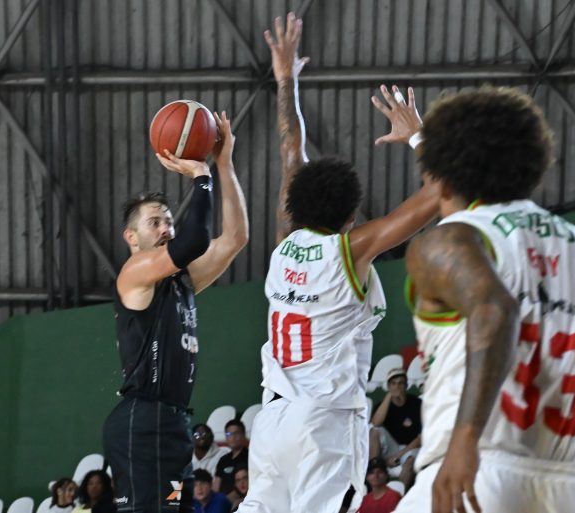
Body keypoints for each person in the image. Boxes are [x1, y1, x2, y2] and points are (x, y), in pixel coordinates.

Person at [391, 86, 575, 513]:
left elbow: (496, 309)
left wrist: (465, 438)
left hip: (479, 474)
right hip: (569, 490)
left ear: (441, 179)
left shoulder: (452, 240)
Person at [236, 12, 438, 513]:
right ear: (351, 215)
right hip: (324, 422)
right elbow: (439, 193)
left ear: (296, 205)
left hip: (272, 422)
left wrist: (285, 81)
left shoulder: (285, 242)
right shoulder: (352, 250)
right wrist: (417, 135)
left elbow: (291, 149)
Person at [102, 111, 249, 513]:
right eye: (155, 223)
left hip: (173, 425)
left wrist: (223, 164)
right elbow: (195, 240)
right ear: (131, 238)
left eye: (169, 221)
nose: (166, 228)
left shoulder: (181, 281)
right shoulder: (135, 272)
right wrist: (201, 175)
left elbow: (236, 238)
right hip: (142, 424)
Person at [370, 367, 422, 488]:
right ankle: (374, 483)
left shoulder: (417, 403)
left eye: (400, 383)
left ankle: (398, 496)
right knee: (375, 431)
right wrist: (389, 396)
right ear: (388, 387)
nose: (397, 387)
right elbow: (375, 423)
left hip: (409, 448)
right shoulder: (383, 405)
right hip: (391, 447)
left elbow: (421, 438)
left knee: (410, 461)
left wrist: (398, 456)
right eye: (393, 384)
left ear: (406, 386)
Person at [213, 420, 248, 494]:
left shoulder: (250, 457)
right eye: (229, 434)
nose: (233, 437)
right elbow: (216, 487)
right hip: (223, 499)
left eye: (236, 433)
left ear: (244, 435)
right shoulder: (223, 460)